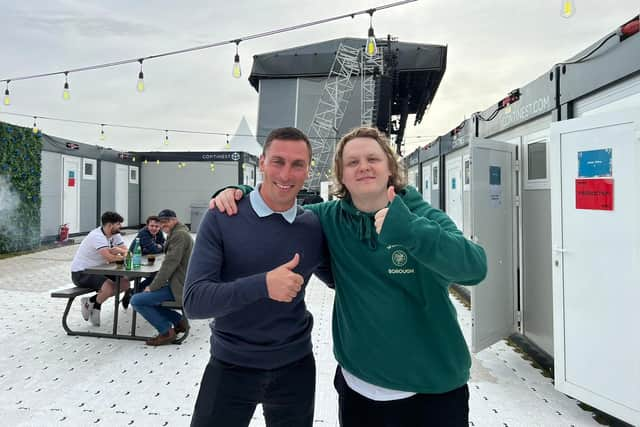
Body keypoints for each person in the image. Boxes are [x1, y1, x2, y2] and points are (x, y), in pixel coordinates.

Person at [210, 126, 487, 427]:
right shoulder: (328, 219)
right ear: (340, 175)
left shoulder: (423, 217)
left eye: (373, 159)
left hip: (431, 393)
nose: (364, 166)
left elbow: (474, 268)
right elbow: (282, 209)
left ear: (390, 168)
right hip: (359, 391)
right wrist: (242, 195)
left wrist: (410, 231)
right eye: (352, 162)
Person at [184, 127, 333, 427]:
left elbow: (339, 279)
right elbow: (194, 302)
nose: (286, 174)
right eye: (278, 161)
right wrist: (263, 285)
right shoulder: (223, 216)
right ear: (262, 162)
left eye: (297, 164)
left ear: (308, 171)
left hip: (295, 367)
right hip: (230, 365)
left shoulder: (312, 226)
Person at [130, 209, 193, 346]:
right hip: (179, 282)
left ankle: (166, 332)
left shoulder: (179, 235)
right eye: (161, 222)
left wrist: (152, 287)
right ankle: (179, 321)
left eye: (167, 221)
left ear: (175, 220)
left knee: (136, 300)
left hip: (180, 286)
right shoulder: (177, 233)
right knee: (144, 296)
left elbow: (169, 265)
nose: (163, 225)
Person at [70, 211, 130, 327]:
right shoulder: (97, 236)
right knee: (108, 287)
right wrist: (122, 255)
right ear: (110, 225)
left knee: (125, 284)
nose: (120, 227)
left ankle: (91, 302)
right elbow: (109, 257)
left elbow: (127, 252)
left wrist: (121, 252)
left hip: (100, 270)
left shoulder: (115, 235)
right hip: (82, 272)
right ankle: (96, 307)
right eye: (118, 224)